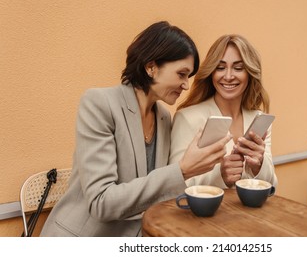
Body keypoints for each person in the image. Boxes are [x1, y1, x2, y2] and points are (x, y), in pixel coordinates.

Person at [40, 21, 231, 237]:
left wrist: (215, 171)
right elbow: (101, 202)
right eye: (181, 74)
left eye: (189, 77)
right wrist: (182, 170)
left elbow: (158, 192)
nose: (186, 85)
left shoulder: (164, 118)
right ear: (151, 67)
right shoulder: (99, 103)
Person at [169, 34, 277, 189]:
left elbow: (272, 187)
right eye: (220, 68)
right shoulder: (188, 118)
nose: (228, 76)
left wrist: (259, 166)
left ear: (250, 74)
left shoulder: (259, 119)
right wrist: (220, 176)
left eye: (238, 68)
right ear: (211, 72)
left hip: (251, 212)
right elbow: (175, 185)